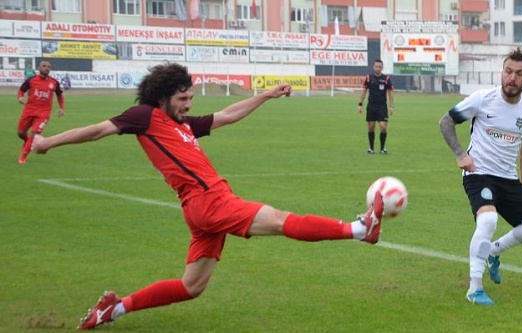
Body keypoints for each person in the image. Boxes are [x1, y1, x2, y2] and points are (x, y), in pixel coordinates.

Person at [31, 63, 384, 330]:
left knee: (192, 286)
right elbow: (96, 131)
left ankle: (114, 308)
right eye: (182, 99)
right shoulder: (145, 116)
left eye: (190, 99)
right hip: (209, 201)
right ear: (162, 98)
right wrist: (48, 142)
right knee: (277, 219)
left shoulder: (183, 125)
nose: (187, 105)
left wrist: (264, 95)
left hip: (201, 207)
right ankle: (359, 228)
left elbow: (227, 115)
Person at [438, 48, 522, 306]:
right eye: (508, 71)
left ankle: (494, 251)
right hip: (478, 174)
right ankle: (474, 287)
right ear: (502, 72)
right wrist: (459, 155)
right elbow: (445, 122)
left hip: (507, 179)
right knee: (487, 220)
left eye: (519, 74)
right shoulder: (482, 99)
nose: (512, 78)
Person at [16, 60, 64, 164]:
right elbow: (21, 90)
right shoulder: (31, 80)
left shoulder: (54, 82)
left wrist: (61, 108)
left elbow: (59, 95)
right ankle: (26, 141)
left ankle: (23, 156)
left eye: (48, 66)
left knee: (34, 134)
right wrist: (20, 97)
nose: (46, 68)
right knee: (20, 133)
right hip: (28, 111)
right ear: (39, 68)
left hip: (43, 113)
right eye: (44, 66)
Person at [357, 59, 394, 154]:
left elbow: (390, 92)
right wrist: (360, 104)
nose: (378, 68)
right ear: (373, 67)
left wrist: (391, 106)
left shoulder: (386, 79)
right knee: (371, 127)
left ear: (382, 68)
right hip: (371, 106)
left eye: (379, 67)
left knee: (383, 127)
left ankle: (382, 148)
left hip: (382, 106)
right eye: (376, 66)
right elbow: (364, 91)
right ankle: (371, 148)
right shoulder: (369, 78)